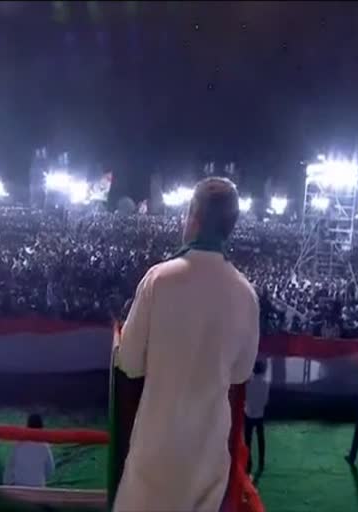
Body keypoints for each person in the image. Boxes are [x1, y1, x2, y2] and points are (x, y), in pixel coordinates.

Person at [113, 177, 260, 512]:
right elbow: (240, 374)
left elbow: (130, 362)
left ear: (193, 217)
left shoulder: (159, 280)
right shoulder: (245, 295)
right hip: (208, 461)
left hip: (156, 457)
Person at [2, 414, 55, 487]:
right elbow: (50, 470)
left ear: (28, 425)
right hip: (38, 487)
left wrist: (7, 484)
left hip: (19, 487)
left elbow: (10, 466)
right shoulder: (44, 446)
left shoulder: (19, 444)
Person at [245, 359, 270, 475]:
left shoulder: (248, 383)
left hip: (249, 414)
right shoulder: (266, 383)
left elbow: (246, 398)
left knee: (248, 440)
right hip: (259, 414)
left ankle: (248, 462)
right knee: (261, 440)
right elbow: (265, 401)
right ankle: (261, 461)